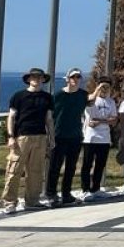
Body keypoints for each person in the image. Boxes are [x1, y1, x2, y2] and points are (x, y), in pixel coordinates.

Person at [2, 68, 54, 213]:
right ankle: (9, 202)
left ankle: (32, 201)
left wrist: (52, 138)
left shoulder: (47, 97)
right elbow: (11, 117)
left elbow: (49, 119)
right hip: (22, 137)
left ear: (43, 79)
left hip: (41, 136)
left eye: (39, 77)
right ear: (29, 79)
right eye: (34, 77)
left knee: (36, 171)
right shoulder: (18, 96)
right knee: (14, 169)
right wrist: (11, 136)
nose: (36, 79)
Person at [47, 67, 88, 207]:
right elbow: (50, 116)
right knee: (55, 166)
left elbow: (92, 100)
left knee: (71, 167)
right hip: (59, 135)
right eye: (73, 77)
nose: (75, 80)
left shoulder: (83, 95)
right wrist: (50, 135)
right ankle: (51, 193)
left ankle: (66, 193)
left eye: (78, 77)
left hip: (75, 135)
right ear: (67, 79)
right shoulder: (57, 96)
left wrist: (100, 87)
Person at [79, 77, 117, 201]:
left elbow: (114, 120)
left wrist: (100, 121)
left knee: (100, 164)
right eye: (102, 86)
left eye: (107, 87)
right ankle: (85, 189)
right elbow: (89, 103)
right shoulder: (92, 99)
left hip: (104, 138)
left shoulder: (111, 102)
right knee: (87, 164)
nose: (104, 89)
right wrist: (97, 90)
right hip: (90, 137)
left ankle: (96, 188)